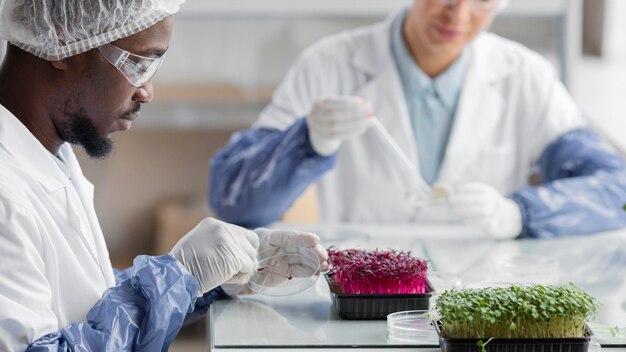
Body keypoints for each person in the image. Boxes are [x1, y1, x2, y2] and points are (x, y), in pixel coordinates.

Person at [0, 1, 327, 351]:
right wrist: (180, 274)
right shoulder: (6, 195)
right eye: (138, 63)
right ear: (63, 43)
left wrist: (203, 282)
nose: (147, 91)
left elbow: (85, 304)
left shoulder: (49, 151)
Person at [210, 0, 626, 239]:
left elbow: (615, 190)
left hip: (479, 305)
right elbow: (232, 199)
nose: (457, 15)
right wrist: (306, 144)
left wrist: (519, 214)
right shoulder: (327, 64)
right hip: (357, 297)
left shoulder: (526, 76)